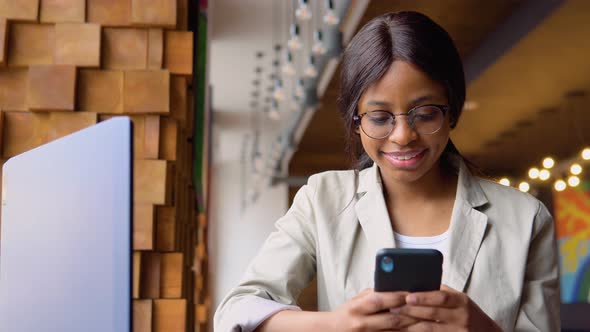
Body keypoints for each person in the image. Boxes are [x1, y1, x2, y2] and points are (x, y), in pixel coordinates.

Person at [214, 11, 560, 332]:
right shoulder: (322, 201)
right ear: (355, 122)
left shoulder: (526, 219)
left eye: (425, 113)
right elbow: (235, 312)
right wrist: (336, 324)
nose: (403, 136)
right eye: (380, 118)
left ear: (452, 112)